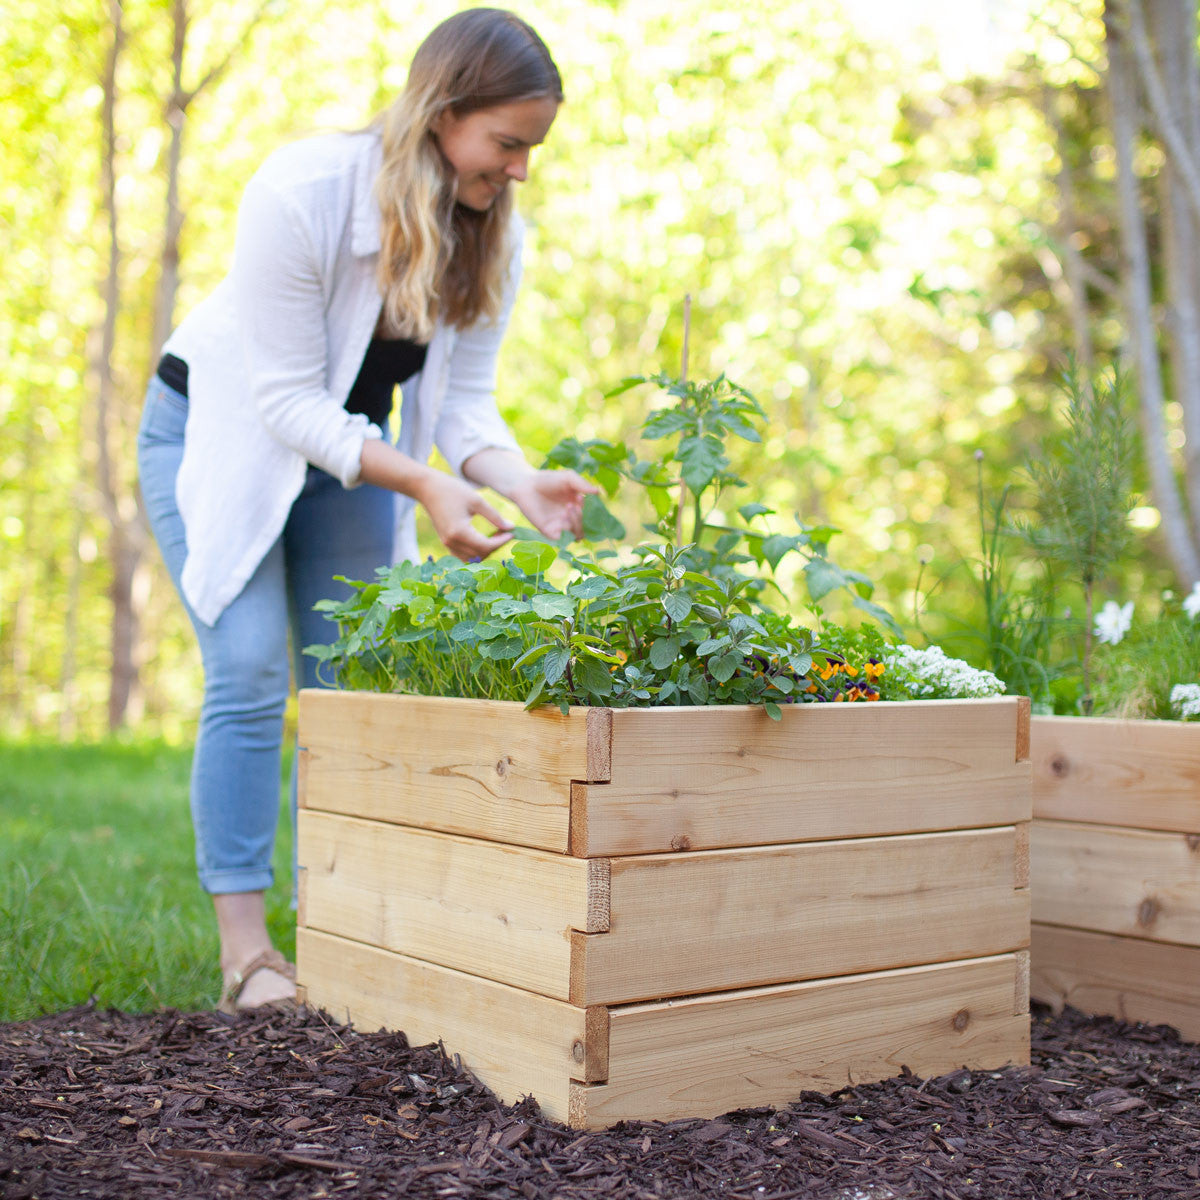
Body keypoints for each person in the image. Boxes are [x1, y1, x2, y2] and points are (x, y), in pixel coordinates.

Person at [136, 8, 595, 1013]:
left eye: (531, 150)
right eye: (508, 144)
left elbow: (463, 405)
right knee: (253, 671)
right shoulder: (302, 192)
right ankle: (249, 957)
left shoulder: (490, 237)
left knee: (351, 687)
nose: (520, 169)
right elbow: (286, 402)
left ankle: (346, 934)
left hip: (348, 462)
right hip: (218, 439)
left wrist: (518, 480)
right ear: (444, 112)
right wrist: (429, 485)